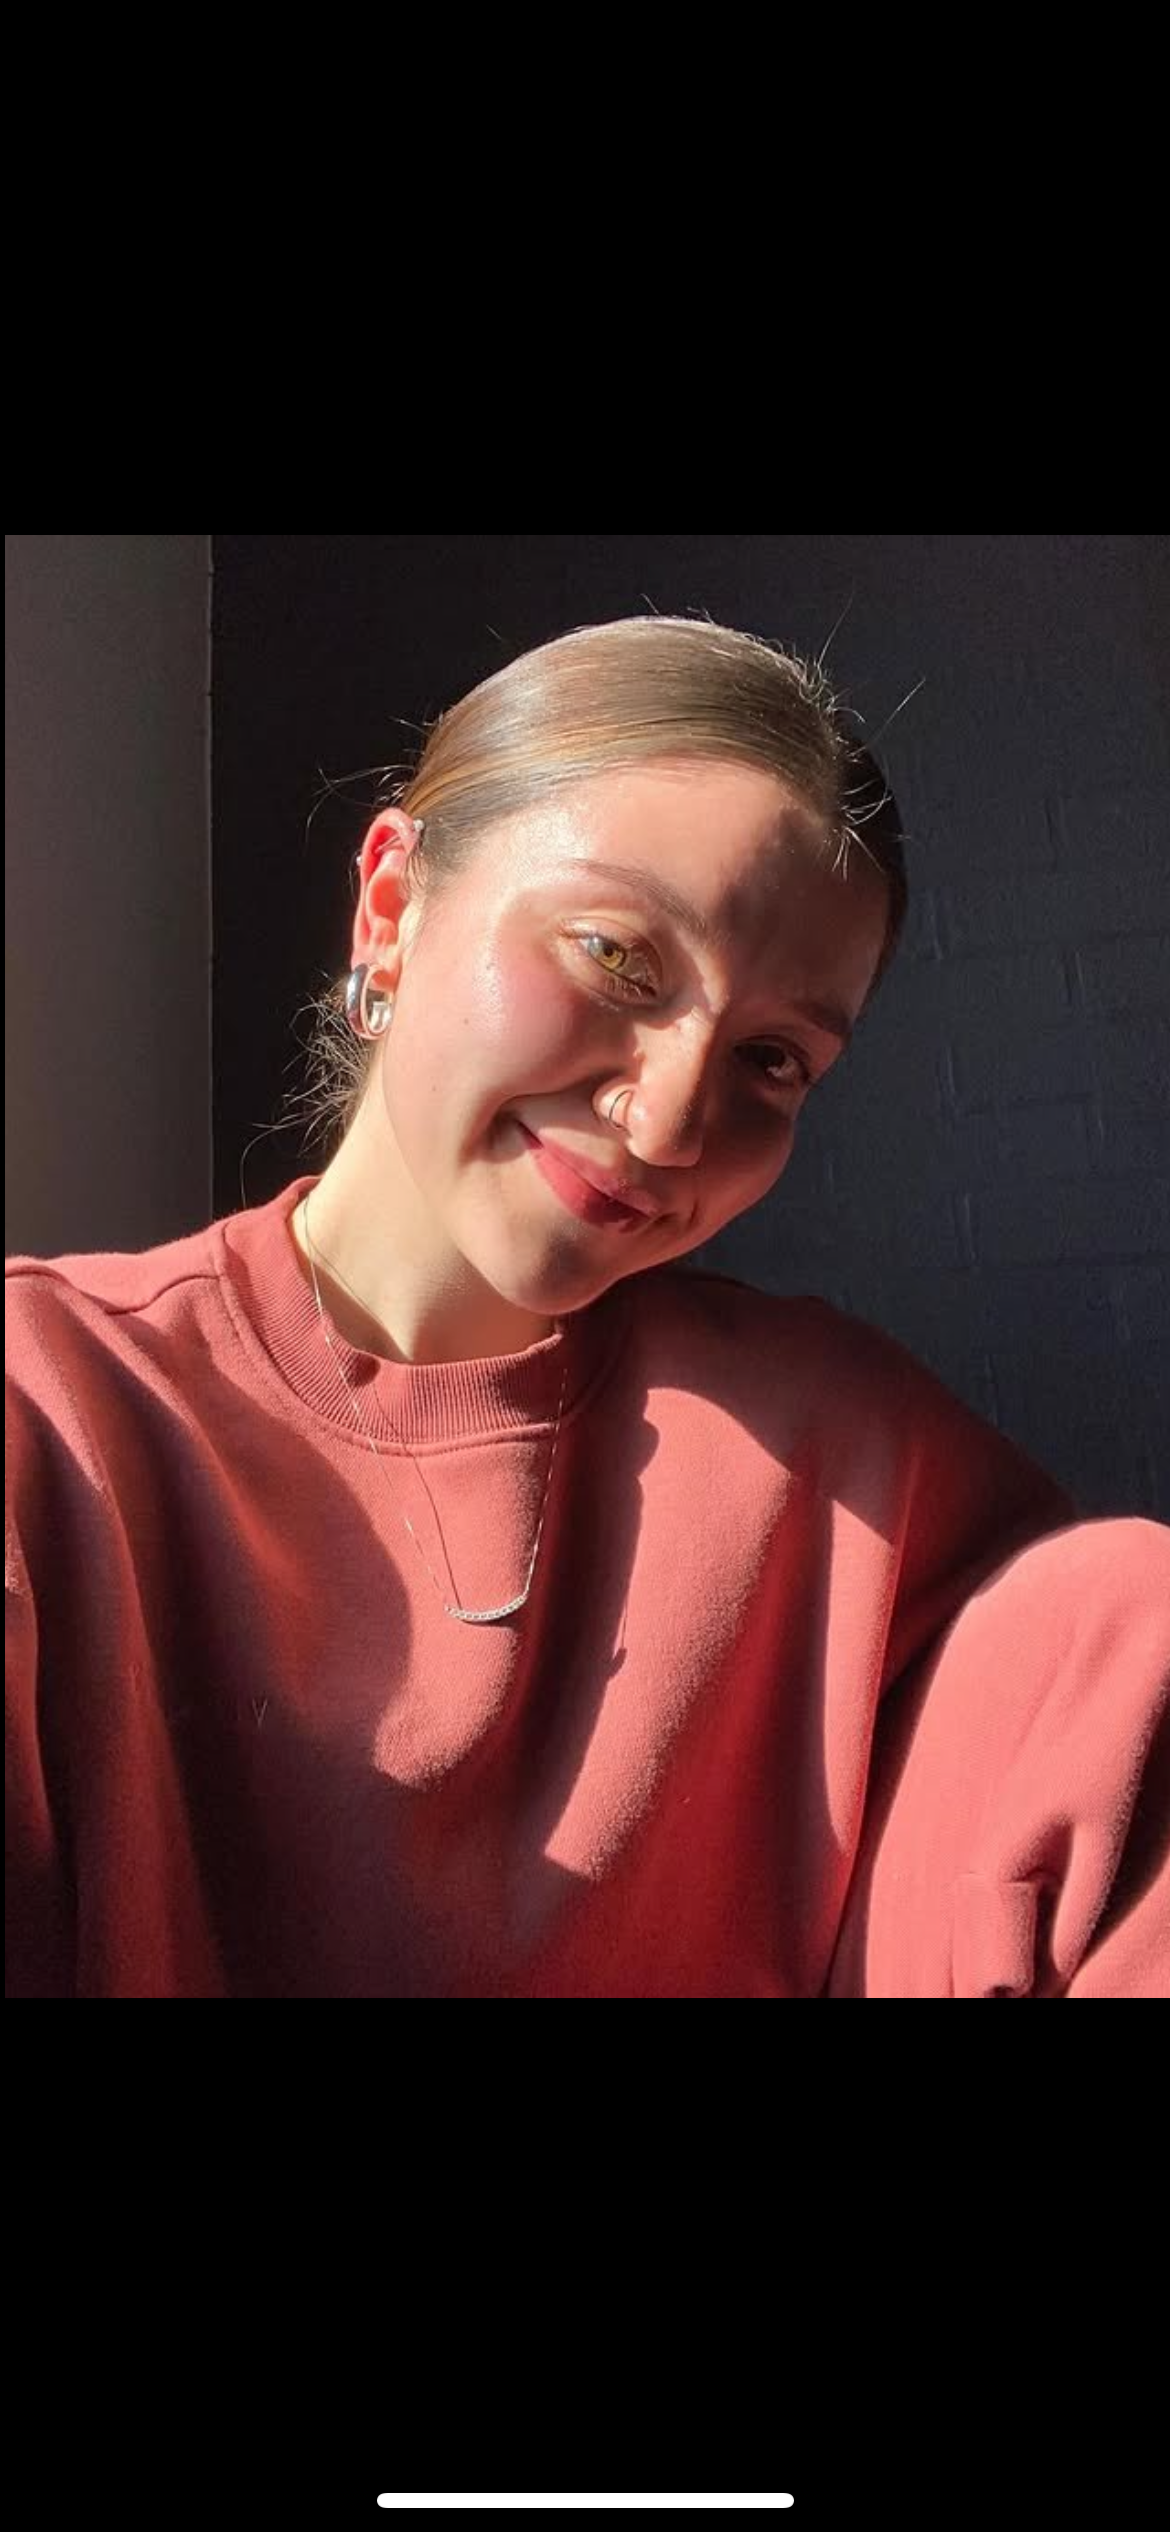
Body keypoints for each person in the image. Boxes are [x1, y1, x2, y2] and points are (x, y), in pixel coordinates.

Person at [6, 615, 1168, 1997]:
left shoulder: (851, 1463)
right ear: (391, 906)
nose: (670, 1123)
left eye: (772, 1058)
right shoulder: (52, 1415)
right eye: (616, 956)